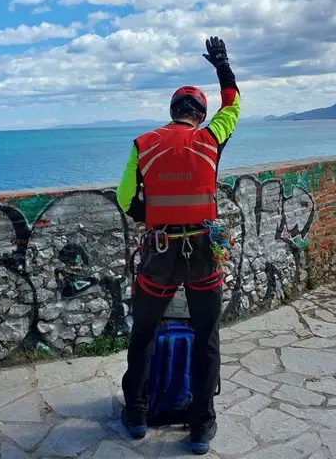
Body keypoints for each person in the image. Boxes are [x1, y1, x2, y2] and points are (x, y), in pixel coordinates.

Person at [116, 36, 240, 455]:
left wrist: (148, 218)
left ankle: (136, 414)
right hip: (205, 253)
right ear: (200, 115)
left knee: (144, 334)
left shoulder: (143, 145)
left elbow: (124, 197)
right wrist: (222, 65)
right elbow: (234, 106)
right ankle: (201, 425)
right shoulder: (211, 139)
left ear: (171, 113)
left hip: (159, 253)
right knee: (206, 337)